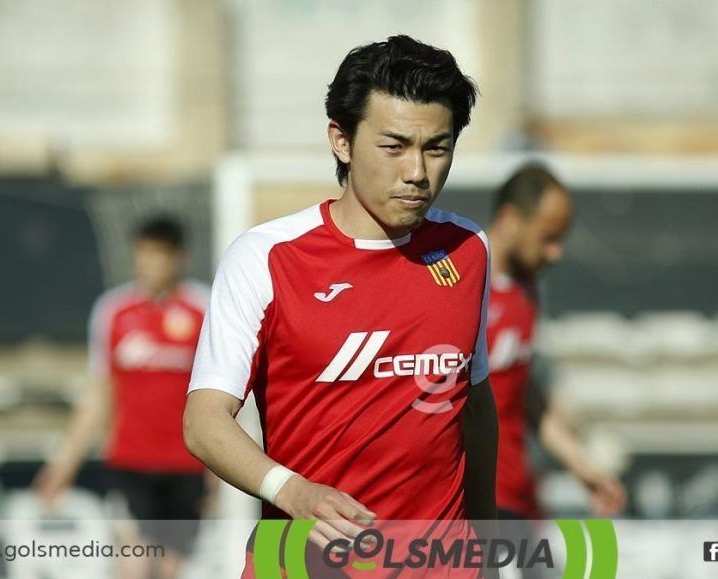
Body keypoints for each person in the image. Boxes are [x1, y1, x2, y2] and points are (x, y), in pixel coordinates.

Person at [182, 35, 498, 576]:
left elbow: (475, 409)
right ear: (342, 141)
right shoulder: (266, 257)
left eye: (436, 147)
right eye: (394, 146)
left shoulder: (469, 250)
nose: (417, 172)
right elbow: (204, 421)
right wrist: (295, 493)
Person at [33, 217, 213, 579]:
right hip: (130, 461)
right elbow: (99, 392)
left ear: (179, 257)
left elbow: (221, 396)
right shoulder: (113, 311)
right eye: (144, 256)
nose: (150, 266)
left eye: (159, 256)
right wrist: (64, 462)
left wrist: (219, 469)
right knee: (132, 562)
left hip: (186, 462)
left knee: (170, 568)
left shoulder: (204, 309)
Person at [486, 163, 627, 521]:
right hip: (470, 503)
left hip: (520, 496)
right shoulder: (454, 283)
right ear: (510, 219)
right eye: (547, 238)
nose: (555, 254)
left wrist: (581, 465)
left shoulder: (527, 289)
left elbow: (520, 389)